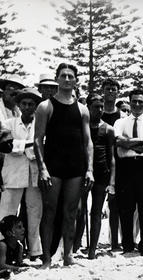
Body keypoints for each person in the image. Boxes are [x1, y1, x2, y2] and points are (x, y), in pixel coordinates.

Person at [34, 63, 94, 268]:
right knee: (49, 211)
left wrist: (89, 169)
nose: (67, 79)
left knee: (71, 212)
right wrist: (42, 168)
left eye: (71, 76)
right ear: (57, 79)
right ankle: (47, 258)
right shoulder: (46, 107)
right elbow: (37, 139)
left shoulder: (83, 109)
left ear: (76, 80)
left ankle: (68, 255)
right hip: (53, 166)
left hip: (75, 167)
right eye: (63, 76)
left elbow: (88, 142)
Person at [113, 88, 143, 255]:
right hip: (125, 166)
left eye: (141, 101)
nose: (137, 104)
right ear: (130, 101)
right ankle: (127, 244)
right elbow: (119, 142)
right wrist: (142, 142)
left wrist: (131, 143)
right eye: (134, 101)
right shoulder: (120, 123)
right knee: (126, 207)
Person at [0, 88, 43, 261]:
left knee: (35, 213)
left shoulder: (41, 124)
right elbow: (6, 146)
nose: (27, 107)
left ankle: (35, 251)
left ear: (36, 106)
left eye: (31, 104)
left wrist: (19, 146)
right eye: (23, 103)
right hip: (13, 174)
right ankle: (3, 250)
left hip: (34, 174)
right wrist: (31, 144)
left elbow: (41, 148)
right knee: (6, 212)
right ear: (19, 105)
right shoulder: (9, 123)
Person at [74, 94, 115, 259]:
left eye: (101, 106)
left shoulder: (108, 129)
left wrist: (112, 181)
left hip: (102, 174)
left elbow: (112, 157)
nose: (99, 110)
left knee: (96, 212)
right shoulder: (81, 126)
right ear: (88, 107)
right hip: (83, 172)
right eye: (95, 106)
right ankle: (76, 244)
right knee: (79, 210)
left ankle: (92, 250)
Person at [101, 78, 123, 251]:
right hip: (98, 161)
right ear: (103, 90)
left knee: (115, 204)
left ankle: (115, 242)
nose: (110, 92)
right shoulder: (96, 112)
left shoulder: (121, 116)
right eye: (107, 89)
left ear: (118, 92)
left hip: (118, 162)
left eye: (113, 89)